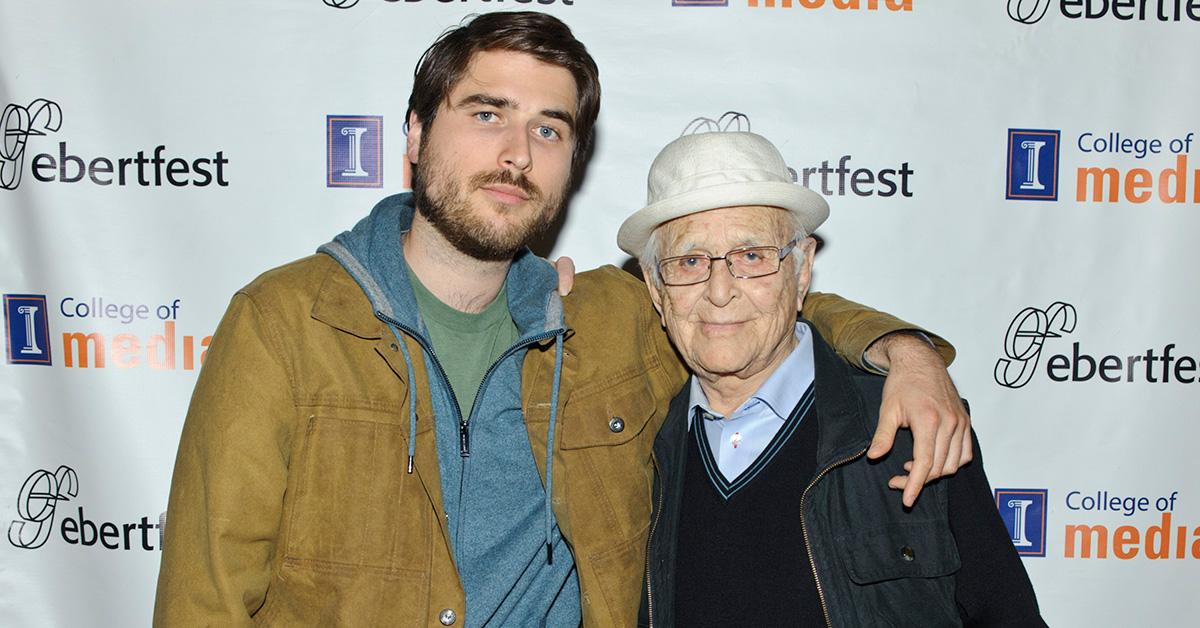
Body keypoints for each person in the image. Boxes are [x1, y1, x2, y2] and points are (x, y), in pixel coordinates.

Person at [153, 12, 973, 627]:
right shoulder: (286, 324)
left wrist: (902, 350)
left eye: (549, 128)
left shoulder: (611, 316)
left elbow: (748, 296)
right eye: (486, 114)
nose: (517, 152)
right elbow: (205, 598)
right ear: (413, 133)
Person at [626, 126, 1046, 627]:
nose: (720, 290)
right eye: (690, 261)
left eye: (752, 257)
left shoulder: (907, 425)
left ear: (801, 269)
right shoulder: (635, 443)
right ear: (655, 286)